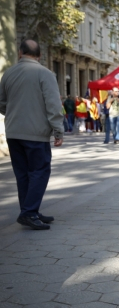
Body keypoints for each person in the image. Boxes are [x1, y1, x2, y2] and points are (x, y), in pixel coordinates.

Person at [0, 39, 64, 230]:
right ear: (40, 55)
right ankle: (29, 212)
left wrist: (13, 115)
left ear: (20, 52)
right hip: (35, 133)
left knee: (23, 174)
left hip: (13, 132)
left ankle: (30, 211)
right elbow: (53, 104)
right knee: (39, 172)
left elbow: (1, 103)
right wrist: (58, 130)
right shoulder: (45, 73)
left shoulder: (8, 74)